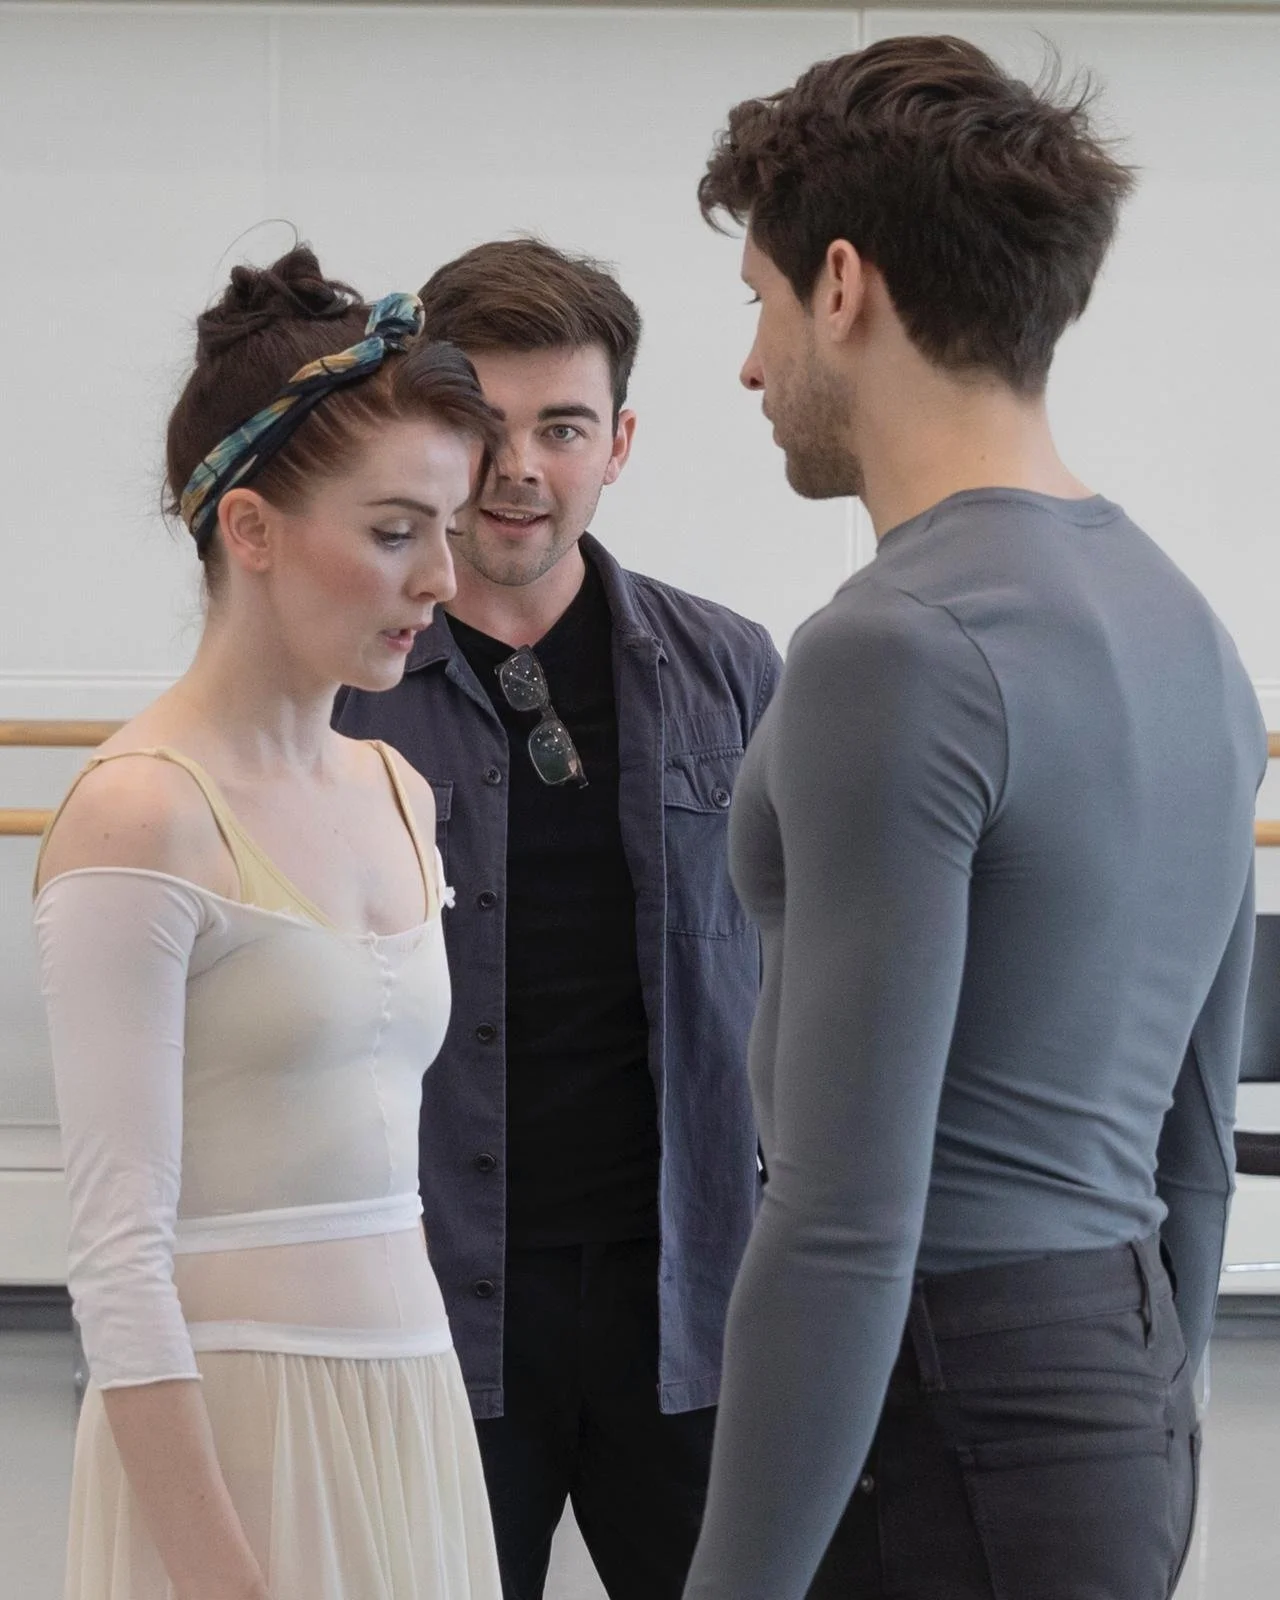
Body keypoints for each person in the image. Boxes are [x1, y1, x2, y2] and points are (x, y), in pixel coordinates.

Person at [683, 36, 1267, 1600]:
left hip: (946, 1406)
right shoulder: (1188, 627)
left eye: (757, 299)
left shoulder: (895, 648)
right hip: (1110, 1397)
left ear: (846, 286)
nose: (749, 365)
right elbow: (1195, 1158)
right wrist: (1158, 1435)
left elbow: (843, 1221)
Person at [33, 247, 506, 1600]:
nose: (437, 580)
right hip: (230, 1453)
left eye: (450, 533)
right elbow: (118, 1257)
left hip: (411, 1416)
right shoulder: (143, 815)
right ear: (248, 530)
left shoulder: (400, 789)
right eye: (394, 530)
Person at [334, 237, 781, 1600]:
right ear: (431, 440)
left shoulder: (732, 669)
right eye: (486, 427)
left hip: (690, 1301)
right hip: (432, 1304)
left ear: (620, 443)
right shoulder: (345, 693)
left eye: (564, 427)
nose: (521, 467)